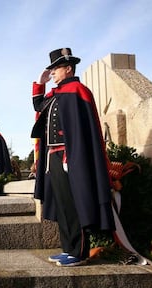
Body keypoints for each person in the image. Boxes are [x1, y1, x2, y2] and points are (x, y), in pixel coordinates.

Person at [31, 47, 115, 267]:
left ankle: (79, 252)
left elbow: (80, 130)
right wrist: (39, 84)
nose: (53, 73)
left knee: (76, 204)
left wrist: (71, 156)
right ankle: (68, 249)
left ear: (68, 68)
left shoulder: (79, 91)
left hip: (72, 158)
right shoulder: (55, 94)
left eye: (55, 69)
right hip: (54, 158)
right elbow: (39, 106)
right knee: (63, 205)